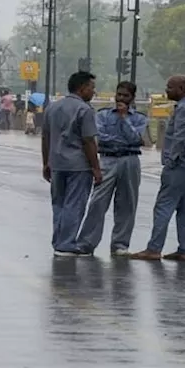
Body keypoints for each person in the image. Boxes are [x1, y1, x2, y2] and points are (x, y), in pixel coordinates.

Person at [131, 75, 185, 262]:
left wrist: (172, 160)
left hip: (181, 164)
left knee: (164, 205)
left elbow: (180, 138)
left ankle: (154, 248)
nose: (166, 90)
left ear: (181, 89)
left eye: (170, 87)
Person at [75, 81, 146, 256]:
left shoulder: (139, 118)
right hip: (107, 160)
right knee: (97, 202)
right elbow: (100, 138)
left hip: (130, 160)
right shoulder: (103, 115)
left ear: (132, 98)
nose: (121, 98)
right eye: (119, 94)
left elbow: (137, 139)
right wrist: (125, 139)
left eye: (125, 96)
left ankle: (120, 244)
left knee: (127, 204)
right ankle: (86, 243)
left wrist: (124, 119)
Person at [42, 71, 102, 256]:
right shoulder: (84, 109)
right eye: (92, 87)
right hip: (78, 165)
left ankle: (58, 240)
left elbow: (46, 137)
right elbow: (88, 141)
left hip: (57, 163)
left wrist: (46, 162)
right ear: (82, 88)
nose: (93, 91)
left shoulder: (52, 107)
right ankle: (66, 243)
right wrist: (96, 168)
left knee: (58, 204)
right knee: (74, 204)